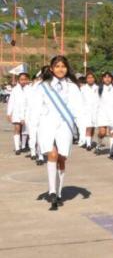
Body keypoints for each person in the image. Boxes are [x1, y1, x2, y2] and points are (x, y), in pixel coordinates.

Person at [27, 56, 85, 211]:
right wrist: (32, 133)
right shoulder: (42, 86)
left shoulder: (72, 87)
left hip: (65, 126)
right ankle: (52, 191)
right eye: (57, 66)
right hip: (46, 124)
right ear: (51, 68)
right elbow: (34, 110)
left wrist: (83, 131)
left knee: (61, 158)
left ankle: (59, 192)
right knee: (52, 154)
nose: (60, 69)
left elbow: (79, 109)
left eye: (63, 66)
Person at [7, 71, 30, 155]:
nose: (23, 81)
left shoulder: (30, 89)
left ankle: (23, 146)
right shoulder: (15, 90)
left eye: (25, 79)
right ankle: (17, 148)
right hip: (16, 112)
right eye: (21, 79)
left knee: (25, 130)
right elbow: (11, 102)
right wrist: (9, 113)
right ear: (18, 80)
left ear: (27, 80)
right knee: (17, 128)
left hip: (27, 112)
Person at [95, 71, 113, 156]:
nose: (107, 79)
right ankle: (99, 144)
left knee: (112, 133)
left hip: (112, 113)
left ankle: (112, 150)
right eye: (105, 77)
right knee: (102, 133)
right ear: (102, 79)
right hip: (102, 113)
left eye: (109, 77)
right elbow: (95, 101)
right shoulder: (99, 88)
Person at [79, 71, 100, 151]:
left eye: (92, 77)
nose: (90, 79)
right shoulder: (83, 88)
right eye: (88, 78)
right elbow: (80, 100)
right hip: (86, 110)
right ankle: (88, 144)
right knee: (88, 126)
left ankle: (90, 141)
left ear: (94, 79)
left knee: (93, 127)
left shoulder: (97, 88)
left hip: (95, 110)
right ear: (86, 79)